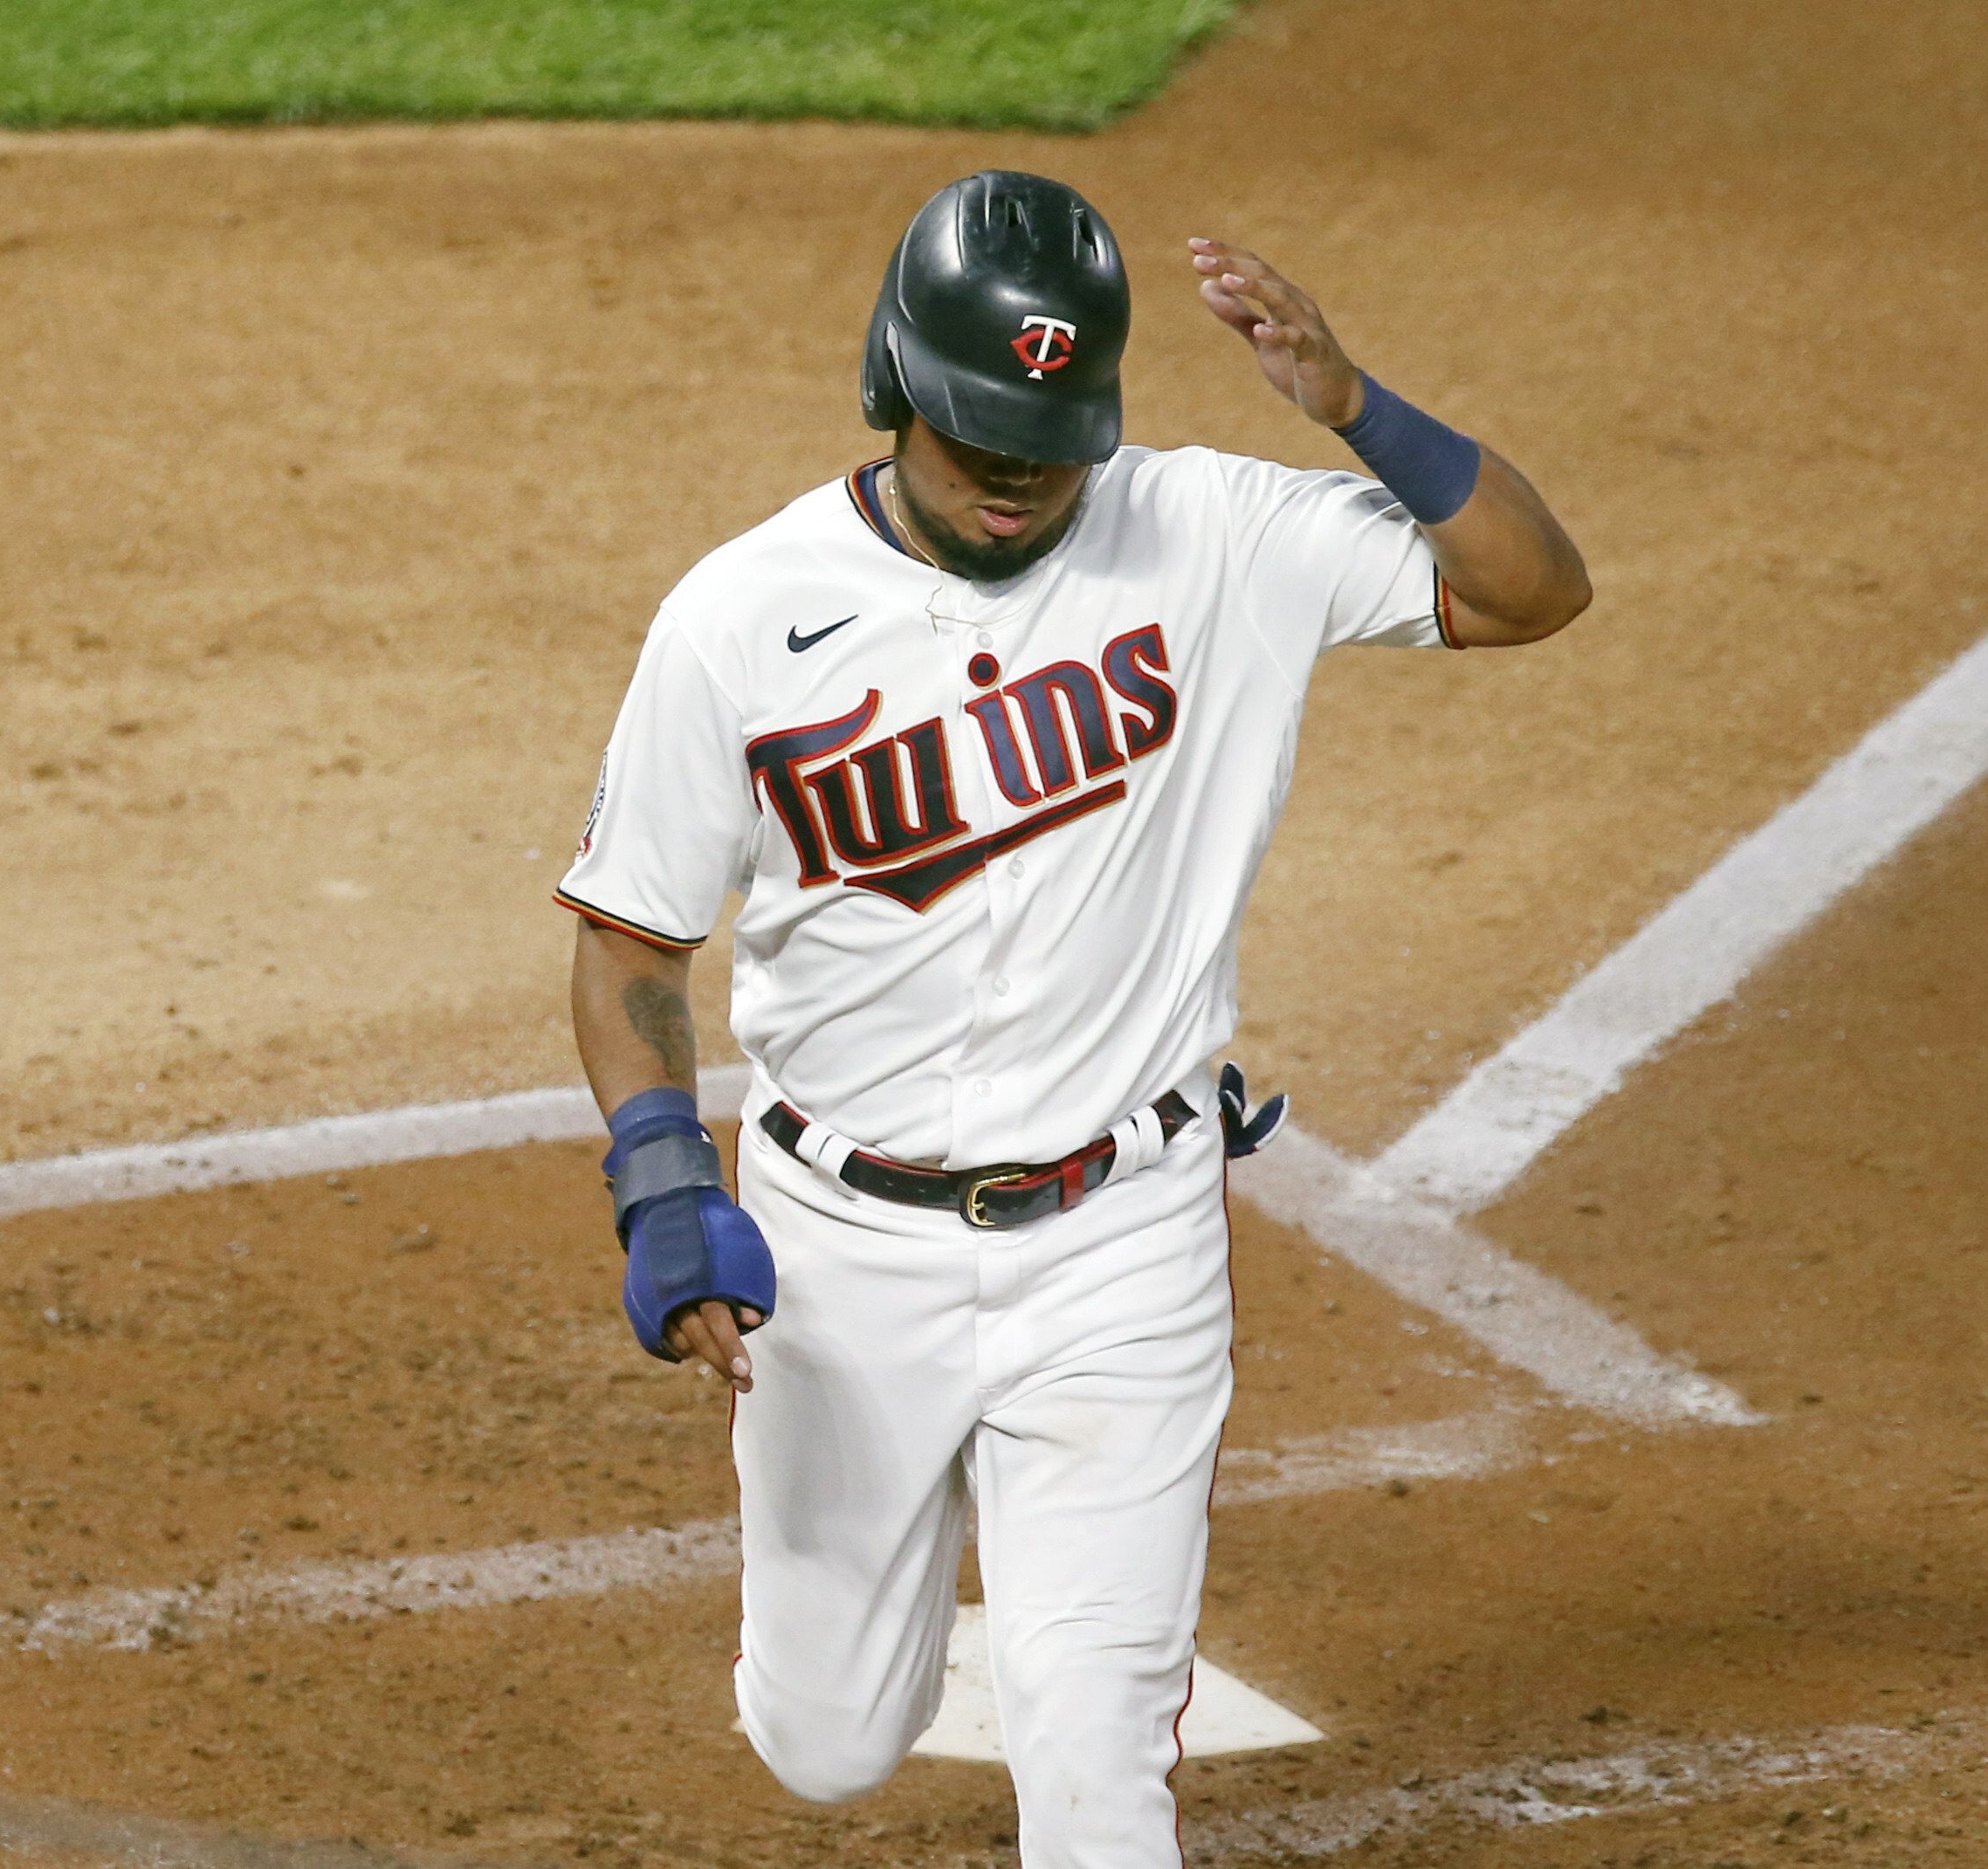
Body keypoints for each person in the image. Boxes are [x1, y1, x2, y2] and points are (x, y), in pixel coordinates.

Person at [556, 171, 1588, 1856]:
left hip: (1125, 1236)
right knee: (827, 1741)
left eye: (1053, 451)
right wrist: (665, 1181)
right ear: (896, 388)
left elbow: (1537, 587)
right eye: (982, 451)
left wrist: (1354, 408)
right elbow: (628, 949)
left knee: (1093, 1751)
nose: (1023, 490)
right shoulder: (738, 617)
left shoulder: (1223, 535)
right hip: (839, 1243)